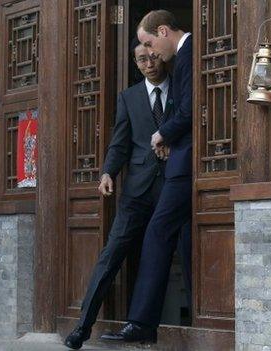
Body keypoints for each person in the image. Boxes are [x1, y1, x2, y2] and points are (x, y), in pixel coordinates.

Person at [64, 38, 172, 350]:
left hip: (172, 187)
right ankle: (82, 329)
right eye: (141, 60)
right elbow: (120, 141)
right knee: (111, 256)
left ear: (162, 57)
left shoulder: (181, 88)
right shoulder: (129, 97)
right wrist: (108, 171)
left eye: (152, 57)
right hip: (136, 191)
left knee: (172, 254)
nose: (148, 64)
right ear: (136, 64)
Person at [100, 10, 193, 344]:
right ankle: (149, 322)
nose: (151, 53)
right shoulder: (181, 59)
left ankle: (142, 322)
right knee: (177, 239)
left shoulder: (187, 56)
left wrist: (162, 135)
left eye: (150, 43)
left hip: (184, 169)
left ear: (164, 31)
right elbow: (121, 142)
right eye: (143, 50)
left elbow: (189, 110)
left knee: (160, 234)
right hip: (170, 170)